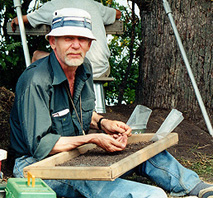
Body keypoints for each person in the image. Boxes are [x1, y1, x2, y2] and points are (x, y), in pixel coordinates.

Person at [9, 8, 213, 198]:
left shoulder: (83, 68)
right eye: (68, 38)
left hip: (74, 153)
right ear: (53, 42)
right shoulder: (35, 81)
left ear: (89, 44)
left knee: (143, 149)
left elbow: (74, 113)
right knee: (132, 190)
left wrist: (102, 124)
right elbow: (40, 146)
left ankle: (193, 186)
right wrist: (93, 139)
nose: (75, 45)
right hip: (35, 165)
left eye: (82, 39)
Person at [11, 0, 121, 78]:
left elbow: (21, 20)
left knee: (36, 55)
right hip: (100, 69)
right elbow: (118, 14)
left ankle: (49, 97)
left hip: (77, 70)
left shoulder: (52, 5)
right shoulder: (94, 5)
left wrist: (16, 19)